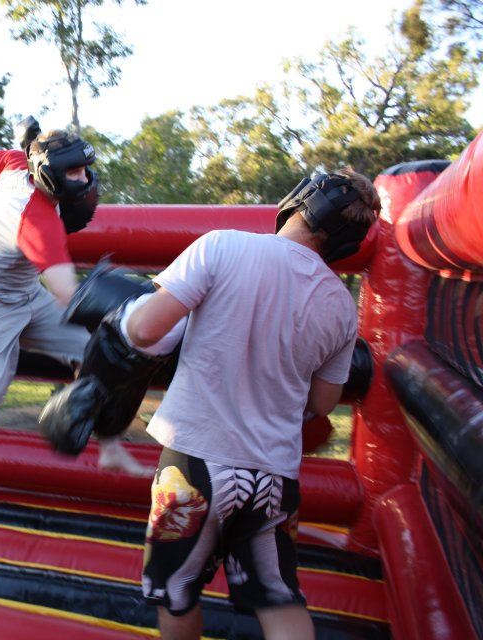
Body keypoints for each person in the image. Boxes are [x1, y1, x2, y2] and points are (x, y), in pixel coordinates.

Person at [123, 169, 380, 639]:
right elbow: (322, 403)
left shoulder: (222, 246)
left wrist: (118, 314)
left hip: (196, 461)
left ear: (301, 201)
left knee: (176, 594)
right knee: (279, 599)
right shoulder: (342, 304)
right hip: (275, 474)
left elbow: (143, 330)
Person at [0, 129, 153, 521]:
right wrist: (144, 307)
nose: (84, 180)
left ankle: (111, 446)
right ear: (49, 174)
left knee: (96, 352)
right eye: (75, 172)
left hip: (28, 295)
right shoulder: (37, 219)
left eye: (86, 170)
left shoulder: (17, 162)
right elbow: (71, 296)